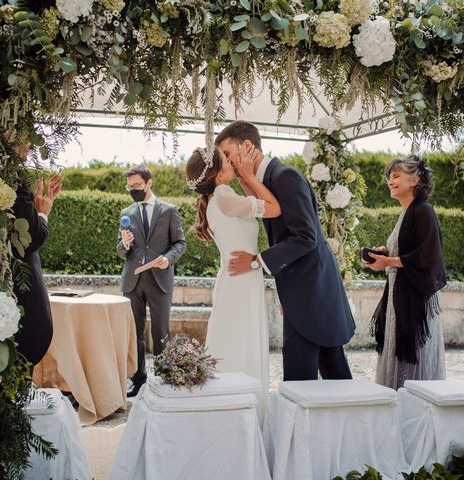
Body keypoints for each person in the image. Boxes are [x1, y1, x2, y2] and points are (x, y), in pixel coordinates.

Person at [220, 120, 355, 381]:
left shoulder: (286, 177)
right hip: (302, 291)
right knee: (332, 372)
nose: (226, 163)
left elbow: (306, 237)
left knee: (303, 377)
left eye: (227, 155)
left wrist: (256, 261)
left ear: (247, 146)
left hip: (313, 291)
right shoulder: (269, 180)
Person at [185, 142, 281, 418]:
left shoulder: (219, 198)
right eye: (226, 160)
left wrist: (243, 179)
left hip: (237, 278)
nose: (231, 161)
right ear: (218, 174)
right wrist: (250, 176)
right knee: (242, 343)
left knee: (235, 341)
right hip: (242, 281)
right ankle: (241, 413)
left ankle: (231, 410)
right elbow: (274, 208)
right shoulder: (224, 196)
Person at [364, 155, 446, 390]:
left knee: (413, 359)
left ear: (415, 180)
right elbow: (408, 249)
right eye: (389, 177)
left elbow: (428, 257)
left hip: (415, 301)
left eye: (396, 176)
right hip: (398, 297)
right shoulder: (405, 212)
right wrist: (384, 252)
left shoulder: (423, 211)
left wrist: (388, 260)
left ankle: (411, 408)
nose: (390, 181)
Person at [117, 165, 186, 397]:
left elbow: (180, 243)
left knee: (160, 332)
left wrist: (168, 258)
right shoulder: (126, 213)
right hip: (133, 281)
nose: (132, 190)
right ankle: (138, 379)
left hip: (160, 278)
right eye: (129, 187)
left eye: (136, 186)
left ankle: (164, 378)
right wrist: (125, 243)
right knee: (133, 333)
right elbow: (120, 250)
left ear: (149, 183)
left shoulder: (168, 211)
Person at [11, 170, 63, 366]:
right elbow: (33, 238)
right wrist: (41, 213)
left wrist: (36, 204)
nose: (29, 145)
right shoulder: (15, 179)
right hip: (20, 289)